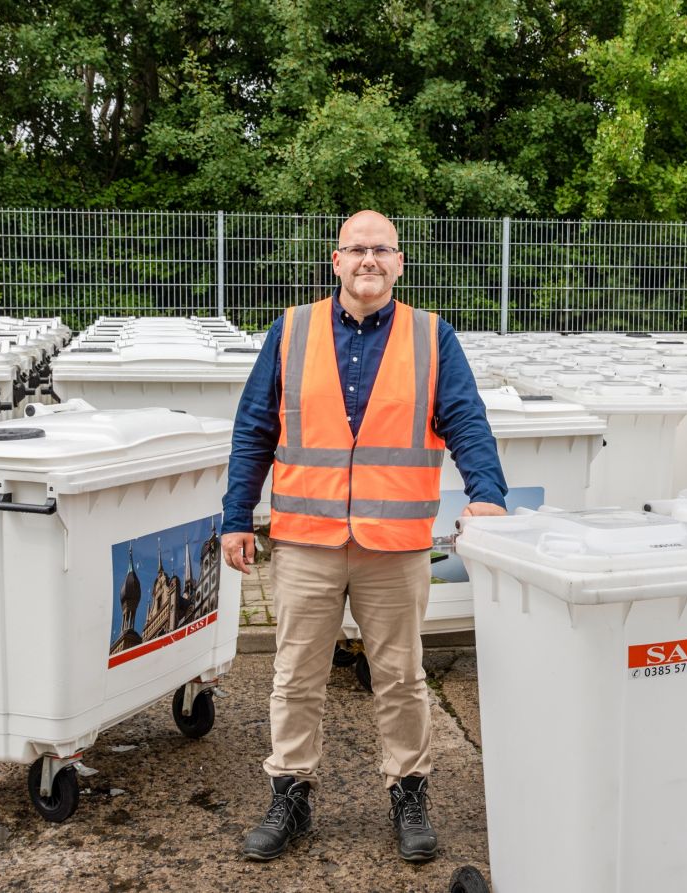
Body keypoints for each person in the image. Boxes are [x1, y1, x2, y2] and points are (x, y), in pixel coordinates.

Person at [220, 209, 508, 864]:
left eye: (382, 249)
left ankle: (409, 791)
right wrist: (237, 515)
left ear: (399, 263)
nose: (369, 260)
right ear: (336, 260)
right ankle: (290, 792)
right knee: (295, 674)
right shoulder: (290, 331)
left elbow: (466, 417)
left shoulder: (433, 338)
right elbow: (254, 426)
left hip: (394, 544)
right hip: (306, 542)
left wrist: (488, 493)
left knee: (402, 675)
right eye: (358, 249)